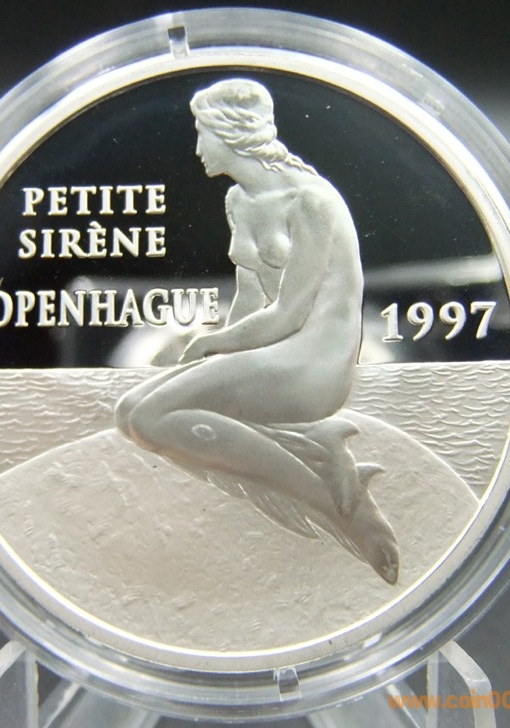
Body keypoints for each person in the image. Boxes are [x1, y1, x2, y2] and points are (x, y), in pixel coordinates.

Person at [116, 79, 398, 583]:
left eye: (203, 133)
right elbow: (250, 299)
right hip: (273, 351)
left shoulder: (311, 202)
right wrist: (218, 359)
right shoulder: (239, 201)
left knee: (154, 417)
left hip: (314, 361)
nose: (198, 148)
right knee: (129, 412)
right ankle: (313, 450)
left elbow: (290, 312)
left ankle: (335, 505)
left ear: (232, 133)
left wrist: (212, 344)